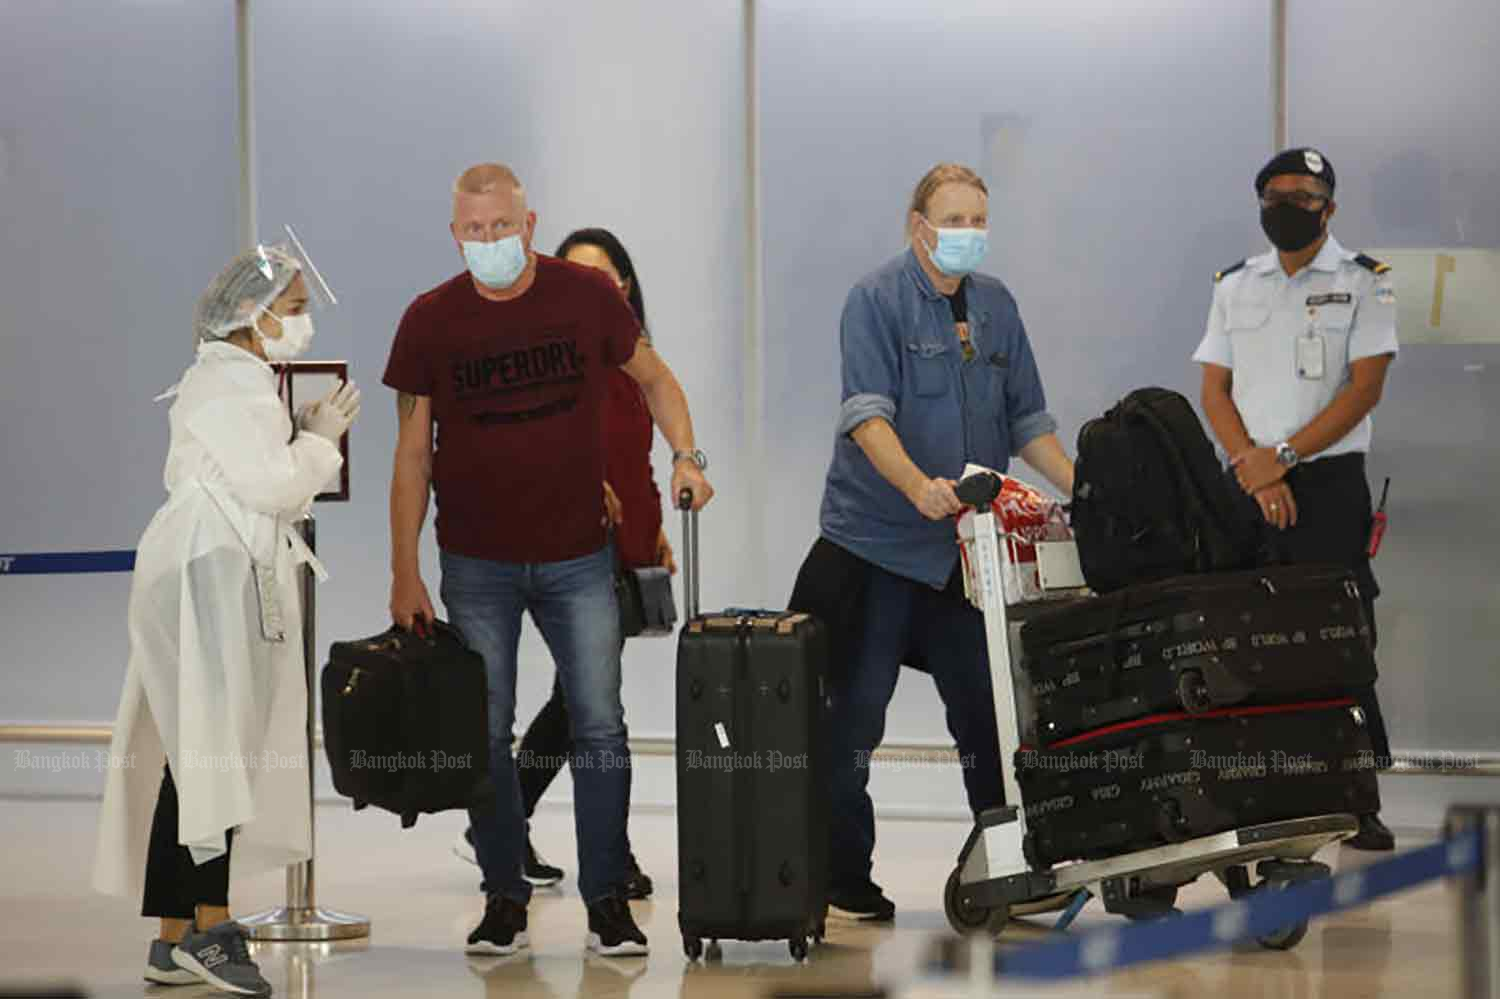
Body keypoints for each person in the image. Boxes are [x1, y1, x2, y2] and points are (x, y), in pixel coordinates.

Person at [384, 164, 712, 958]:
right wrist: (404, 569)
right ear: (455, 232)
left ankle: (607, 902)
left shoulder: (585, 297)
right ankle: (503, 897)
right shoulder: (430, 320)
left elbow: (657, 377)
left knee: (600, 725)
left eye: (503, 227)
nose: (490, 243)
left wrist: (687, 457)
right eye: (474, 230)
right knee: (486, 733)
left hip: (575, 555)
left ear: (529, 226)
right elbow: (411, 454)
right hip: (475, 561)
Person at [790, 163, 1075, 922]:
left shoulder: (996, 307)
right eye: (952, 221)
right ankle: (842, 875)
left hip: (961, 555)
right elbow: (866, 415)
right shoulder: (875, 301)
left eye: (978, 220)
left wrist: (1084, 486)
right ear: (916, 226)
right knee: (853, 718)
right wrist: (918, 486)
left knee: (990, 714)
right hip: (874, 548)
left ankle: (1010, 866)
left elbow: (1029, 424)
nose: (967, 235)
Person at [92, 245, 360, 996]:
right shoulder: (232, 387)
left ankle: (171, 936)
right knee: (215, 753)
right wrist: (319, 440)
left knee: (195, 754)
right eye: (296, 308)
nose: (303, 323)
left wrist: (302, 438)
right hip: (208, 575)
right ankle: (213, 929)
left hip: (204, 570)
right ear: (252, 316)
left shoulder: (233, 379)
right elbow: (272, 485)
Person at [453, 227, 672, 900]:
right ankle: (599, 853)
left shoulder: (635, 360)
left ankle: (503, 820)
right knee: (591, 709)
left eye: (603, 277)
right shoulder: (556, 358)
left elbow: (636, 460)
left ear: (625, 287)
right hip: (569, 543)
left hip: (622, 543)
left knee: (577, 704)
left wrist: (653, 530)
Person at [1194, 146, 1399, 852]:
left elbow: (1364, 389)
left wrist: (1281, 458)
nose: (1288, 205)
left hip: (1327, 485)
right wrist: (1254, 467)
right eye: (1275, 194)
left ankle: (1357, 800)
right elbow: (1213, 390)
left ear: (1329, 208)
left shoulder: (1364, 282)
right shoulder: (1235, 285)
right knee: (1241, 636)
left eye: (1304, 196)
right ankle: (1251, 792)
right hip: (1246, 482)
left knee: (1339, 639)